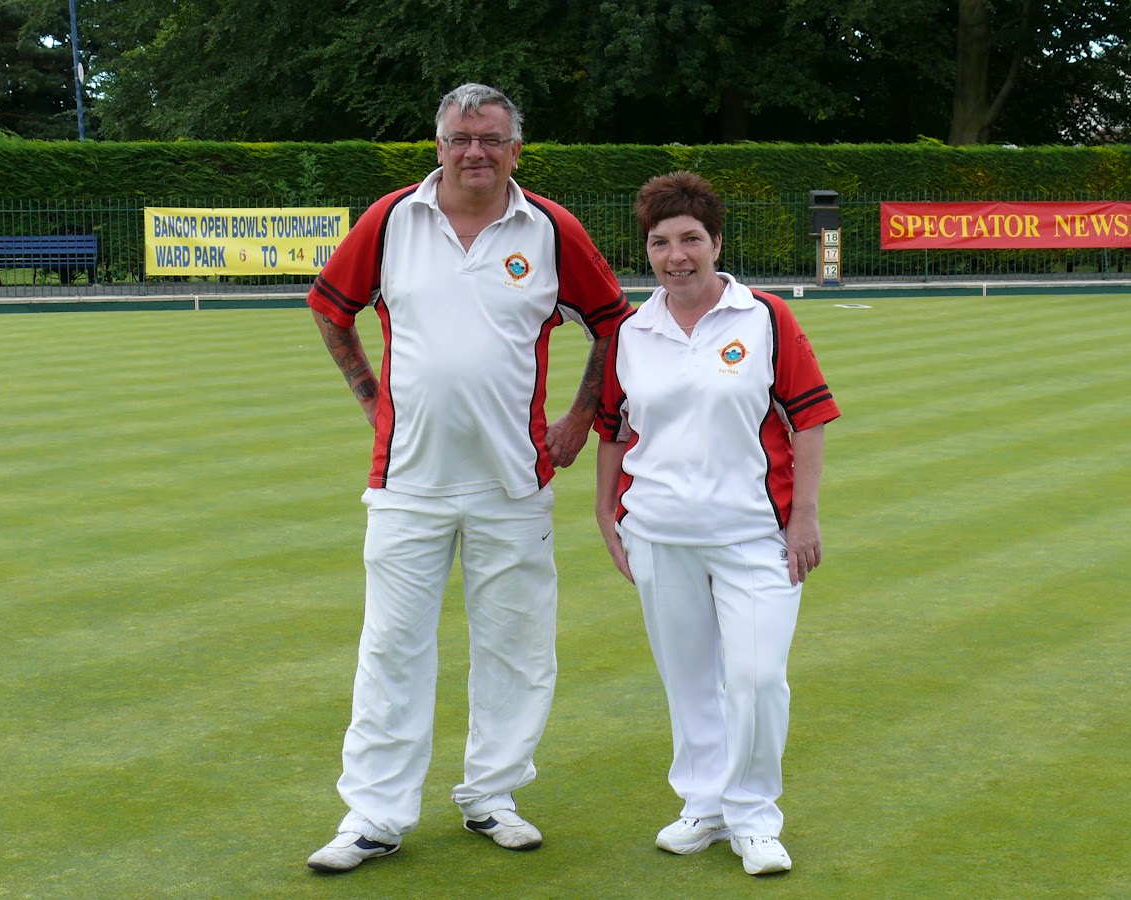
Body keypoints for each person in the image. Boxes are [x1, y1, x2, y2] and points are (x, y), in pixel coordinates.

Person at [304, 82, 631, 873]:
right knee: (390, 649)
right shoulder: (390, 219)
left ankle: (493, 795)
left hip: (513, 482)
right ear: (439, 145)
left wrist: (584, 416)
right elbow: (329, 305)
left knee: (516, 647)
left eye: (490, 138)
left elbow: (615, 321)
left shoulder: (551, 228)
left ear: (516, 149)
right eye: (460, 137)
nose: (474, 151)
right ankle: (375, 816)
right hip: (407, 481)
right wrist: (373, 400)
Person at [593, 172, 840, 877]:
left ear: (716, 242)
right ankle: (703, 803)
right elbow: (614, 430)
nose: (677, 255)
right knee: (689, 681)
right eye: (661, 242)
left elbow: (812, 417)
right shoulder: (631, 332)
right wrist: (606, 512)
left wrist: (804, 519)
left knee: (758, 676)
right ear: (649, 250)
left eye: (691, 239)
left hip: (755, 535)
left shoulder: (762, 317)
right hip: (660, 532)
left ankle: (755, 815)